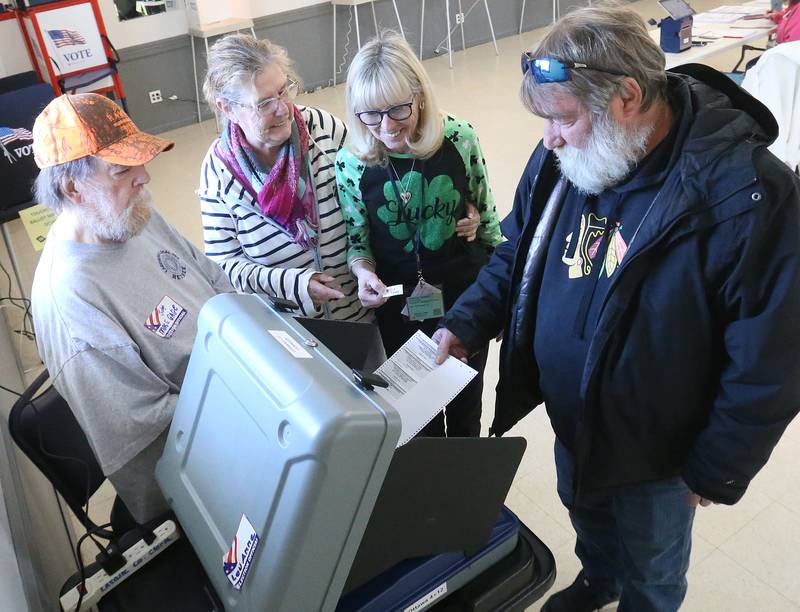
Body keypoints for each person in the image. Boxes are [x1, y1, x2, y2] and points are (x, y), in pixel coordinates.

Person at [433, 6, 800, 611]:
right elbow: (516, 251)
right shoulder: (569, 155)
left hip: (660, 456)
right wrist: (466, 322)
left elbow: (772, 356)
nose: (548, 138)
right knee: (590, 524)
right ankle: (596, 581)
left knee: (653, 571)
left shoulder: (746, 195)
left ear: (628, 96)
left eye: (563, 119)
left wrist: (718, 466)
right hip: (575, 423)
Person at [30, 93, 234, 524]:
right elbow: (152, 437)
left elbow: (214, 279)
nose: (145, 177)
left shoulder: (131, 216)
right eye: (122, 170)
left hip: (232, 389)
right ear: (73, 189)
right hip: (196, 471)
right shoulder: (72, 302)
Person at [336, 32, 502, 437]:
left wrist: (501, 302)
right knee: (418, 419)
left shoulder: (459, 138)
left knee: (465, 412)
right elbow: (357, 239)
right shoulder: (351, 163)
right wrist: (362, 274)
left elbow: (491, 222)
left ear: (420, 96)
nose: (386, 126)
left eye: (397, 110)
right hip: (400, 309)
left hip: (464, 298)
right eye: (370, 115)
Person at [201, 34, 401, 322]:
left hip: (362, 311)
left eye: (283, 91)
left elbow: (382, 184)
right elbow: (224, 266)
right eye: (264, 103)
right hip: (294, 330)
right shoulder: (217, 174)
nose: (283, 109)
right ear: (227, 108)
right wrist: (295, 285)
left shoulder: (323, 129)